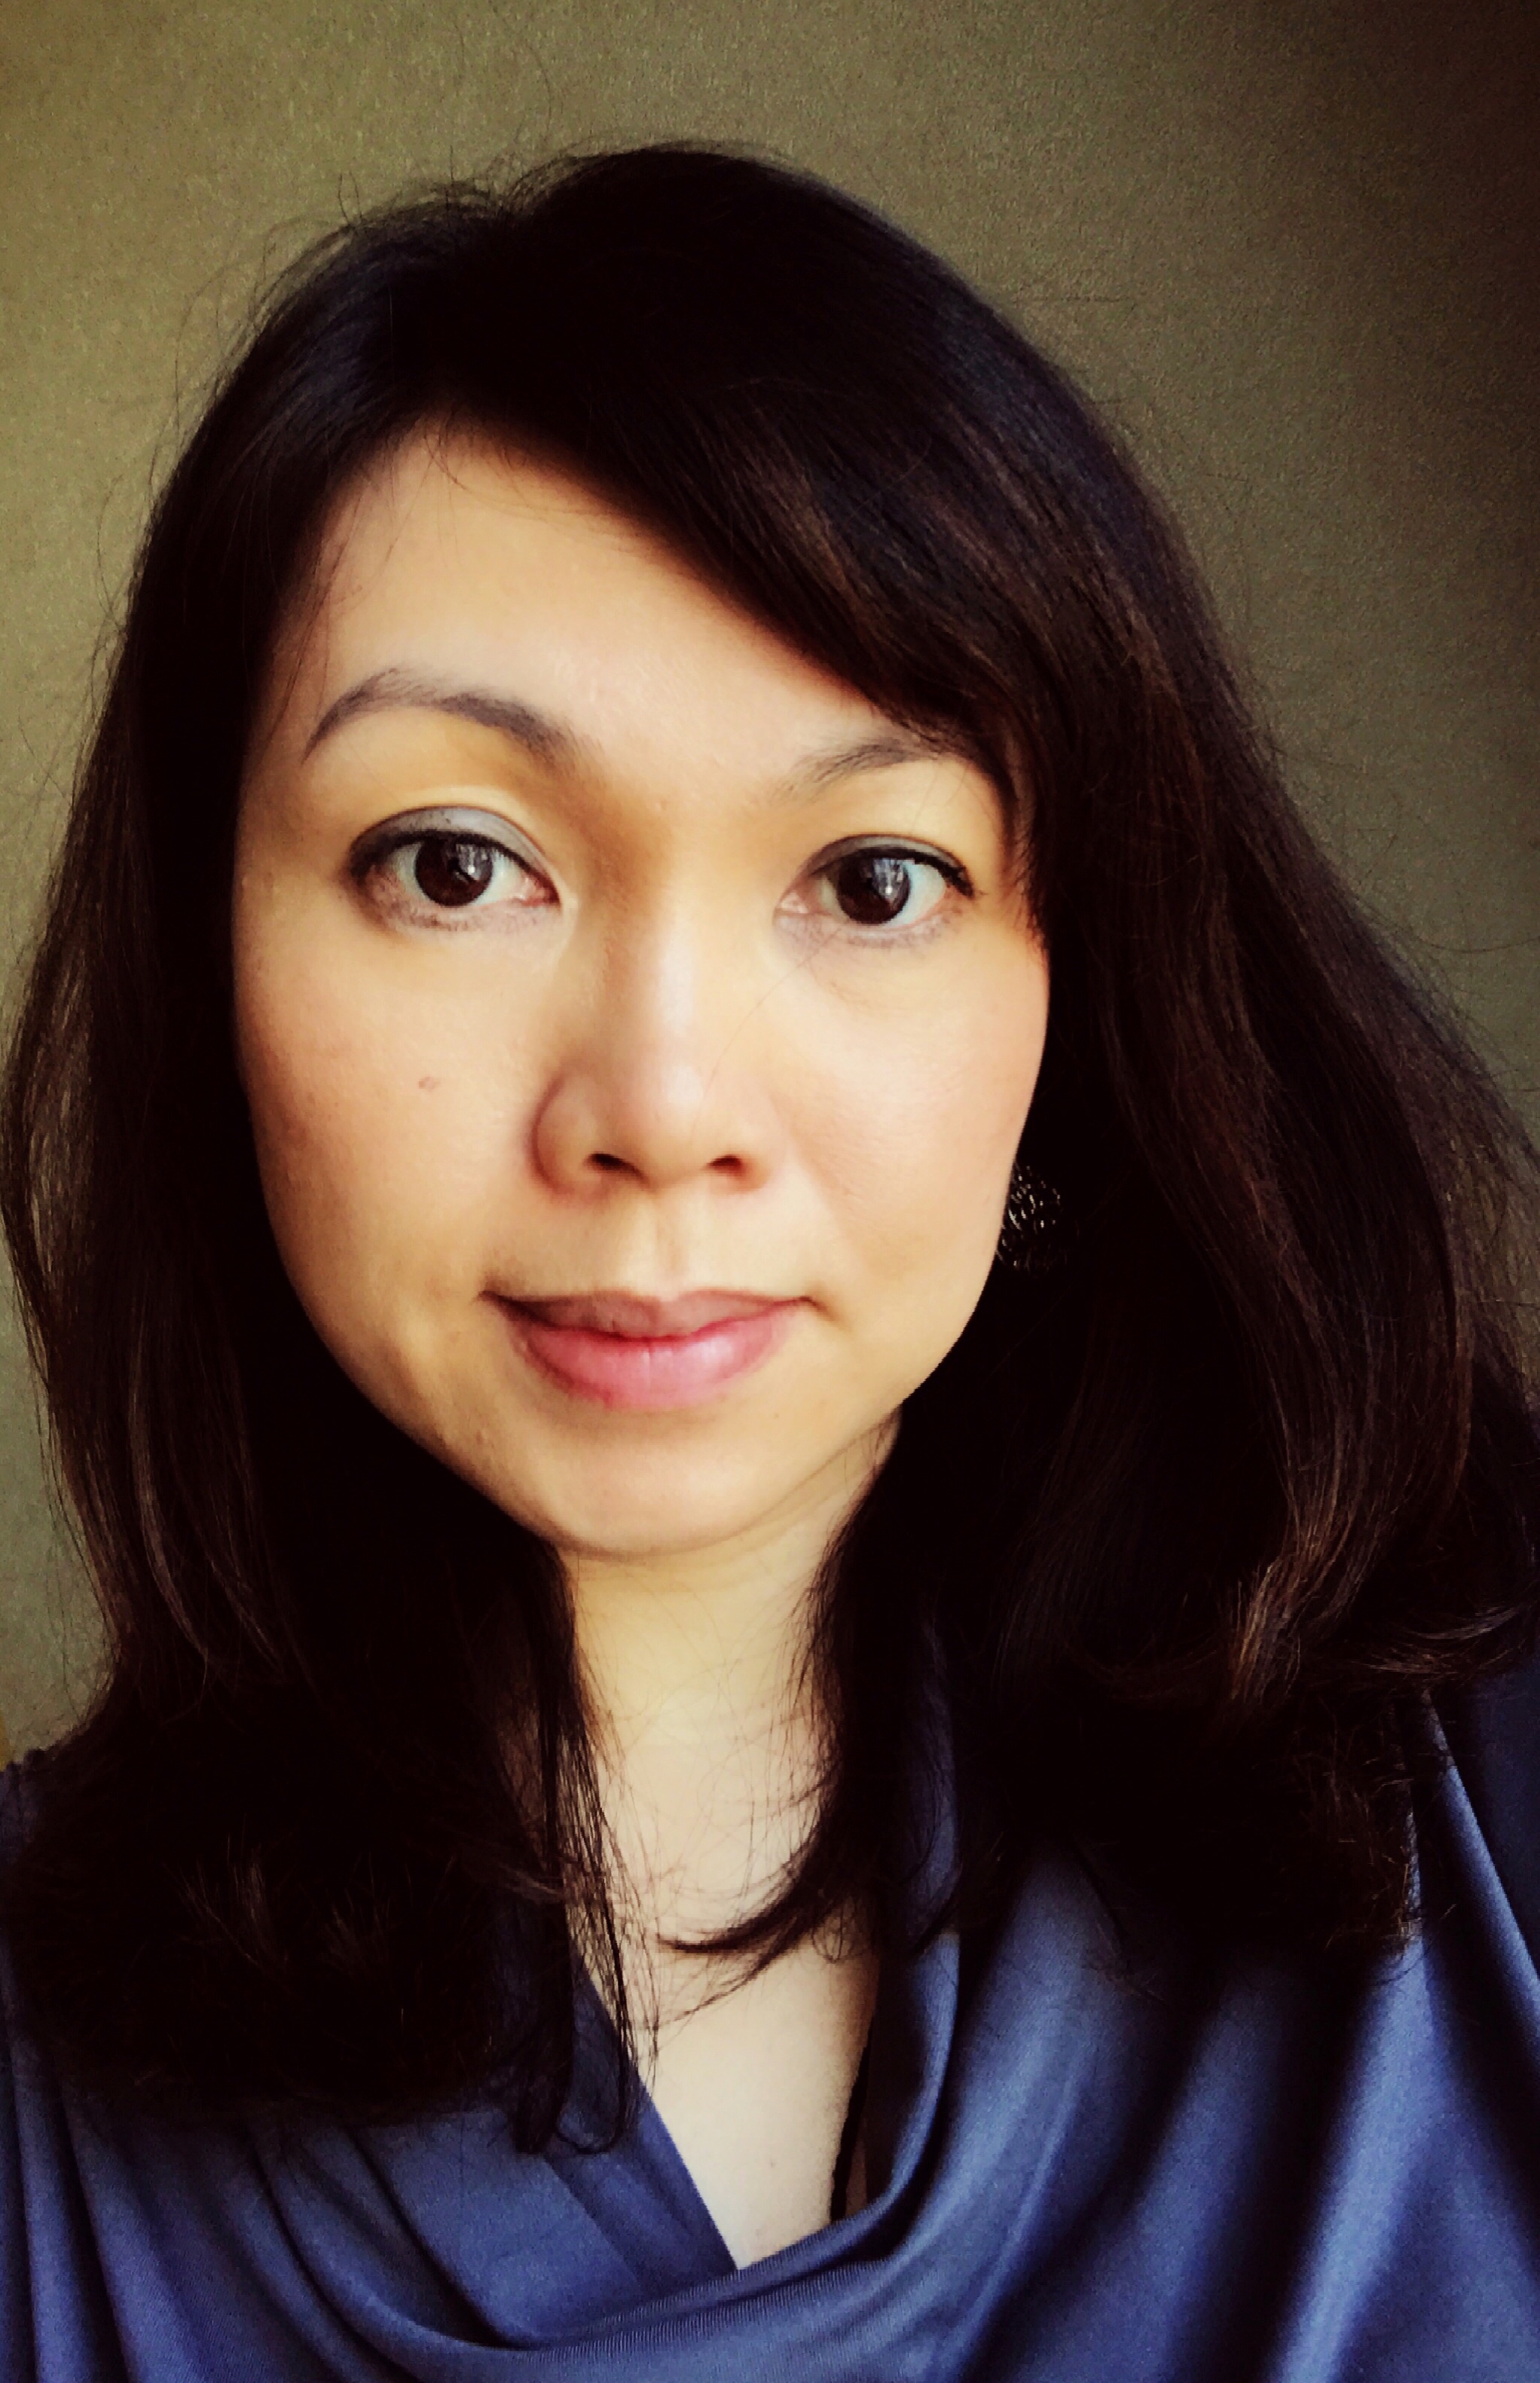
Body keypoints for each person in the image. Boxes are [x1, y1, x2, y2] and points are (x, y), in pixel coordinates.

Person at [2, 142, 1538, 2381]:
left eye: (874, 880)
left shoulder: (1479, 1782)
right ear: (207, 961)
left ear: (1078, 1002)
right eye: (455, 864)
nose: (661, 1104)